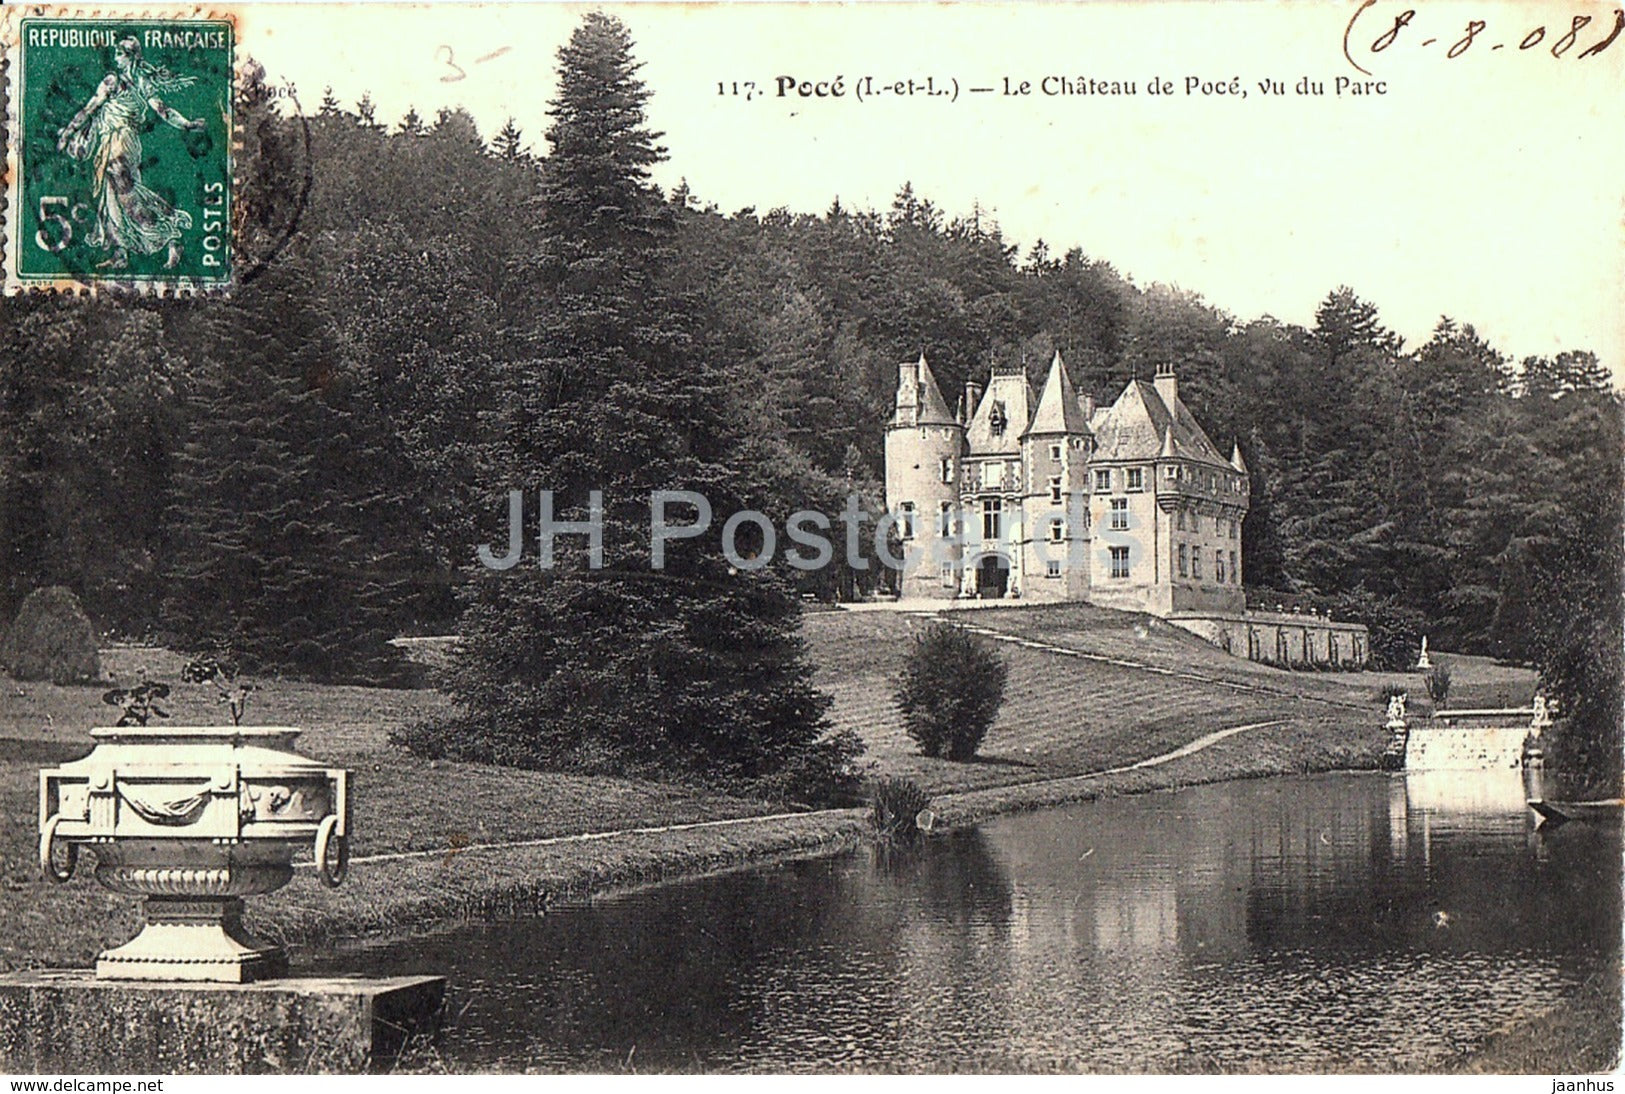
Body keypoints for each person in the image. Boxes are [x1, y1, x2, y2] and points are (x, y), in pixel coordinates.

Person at [55, 36, 206, 270]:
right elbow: (91, 109)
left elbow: (162, 111)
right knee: (112, 198)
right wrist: (68, 132)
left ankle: (169, 234)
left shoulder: (122, 82)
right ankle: (121, 254)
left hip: (122, 140)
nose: (115, 58)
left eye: (119, 53)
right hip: (115, 142)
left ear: (129, 56)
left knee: (125, 193)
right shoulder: (124, 82)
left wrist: (187, 124)